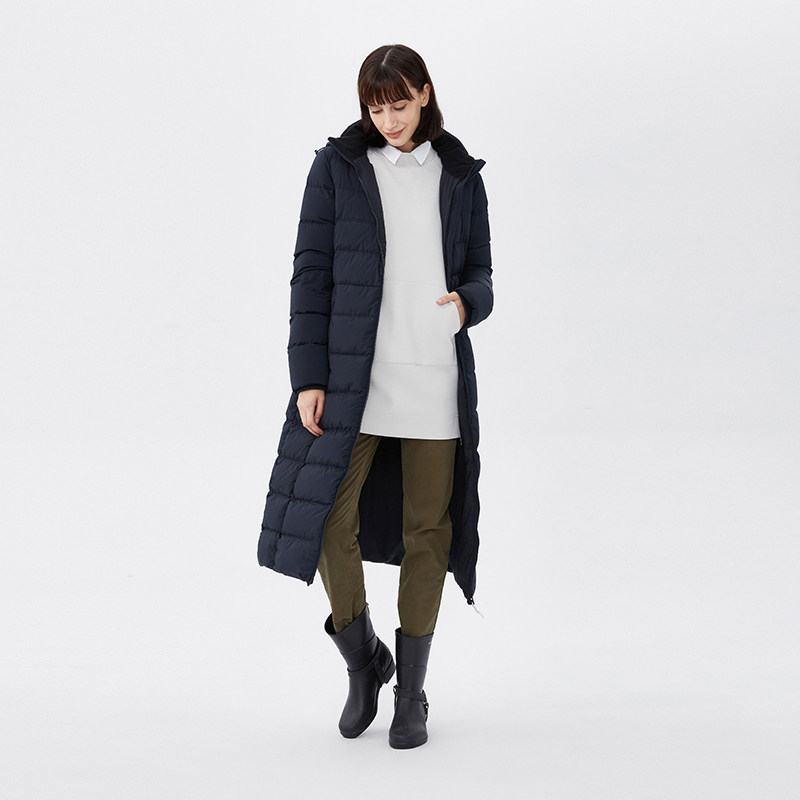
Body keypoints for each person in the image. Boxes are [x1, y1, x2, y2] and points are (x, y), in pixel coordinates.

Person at [257, 43, 493, 749]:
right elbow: (309, 273)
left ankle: (411, 693)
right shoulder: (338, 168)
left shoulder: (458, 173)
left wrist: (465, 305)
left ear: (424, 93)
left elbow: (481, 272)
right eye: (375, 105)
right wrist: (308, 378)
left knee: (429, 533)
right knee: (329, 517)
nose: (388, 118)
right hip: (355, 379)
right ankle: (364, 659)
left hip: (433, 378)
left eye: (399, 103)